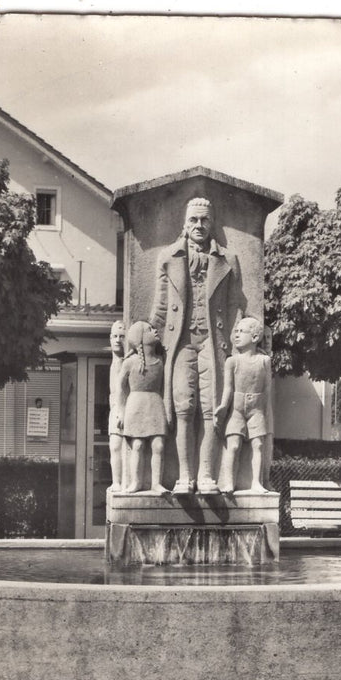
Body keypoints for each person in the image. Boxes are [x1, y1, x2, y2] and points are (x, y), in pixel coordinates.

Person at [148, 197, 245, 493]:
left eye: (204, 220)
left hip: (214, 344)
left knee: (211, 409)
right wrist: (147, 340)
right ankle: (184, 477)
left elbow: (235, 305)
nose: (199, 225)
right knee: (183, 408)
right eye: (193, 220)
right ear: (185, 223)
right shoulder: (168, 257)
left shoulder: (228, 259)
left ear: (212, 223)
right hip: (181, 343)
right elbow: (160, 306)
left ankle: (206, 476)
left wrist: (237, 345)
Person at [216, 317, 274, 493]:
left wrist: (265, 413)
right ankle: (229, 482)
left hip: (257, 408)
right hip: (237, 408)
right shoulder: (232, 361)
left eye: (241, 331)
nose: (237, 335)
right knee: (233, 445)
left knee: (258, 445)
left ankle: (256, 482)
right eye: (236, 331)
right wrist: (223, 407)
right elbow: (228, 388)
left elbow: (267, 389)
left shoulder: (264, 361)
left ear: (255, 337)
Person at [116, 320, 168, 493]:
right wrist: (121, 412)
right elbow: (120, 388)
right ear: (139, 338)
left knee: (158, 445)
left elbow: (166, 387)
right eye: (149, 329)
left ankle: (156, 483)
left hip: (155, 404)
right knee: (137, 445)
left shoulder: (160, 361)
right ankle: (136, 482)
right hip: (136, 404)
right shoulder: (130, 362)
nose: (155, 331)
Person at [107, 319, 127, 493]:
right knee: (114, 446)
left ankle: (122, 482)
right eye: (115, 336)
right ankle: (116, 482)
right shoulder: (114, 362)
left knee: (121, 446)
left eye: (122, 336)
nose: (118, 340)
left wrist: (121, 410)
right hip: (115, 407)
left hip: (125, 408)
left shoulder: (125, 362)